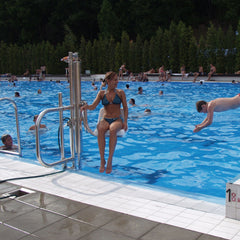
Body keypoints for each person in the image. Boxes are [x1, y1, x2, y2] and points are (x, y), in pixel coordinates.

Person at [81, 71, 128, 174]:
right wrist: (86, 107)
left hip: (117, 119)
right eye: (115, 80)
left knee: (113, 129)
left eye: (117, 79)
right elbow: (93, 106)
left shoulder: (120, 93)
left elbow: (125, 108)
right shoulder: (102, 93)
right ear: (108, 81)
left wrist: (125, 122)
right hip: (105, 118)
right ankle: (102, 160)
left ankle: (110, 160)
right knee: (100, 128)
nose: (117, 82)